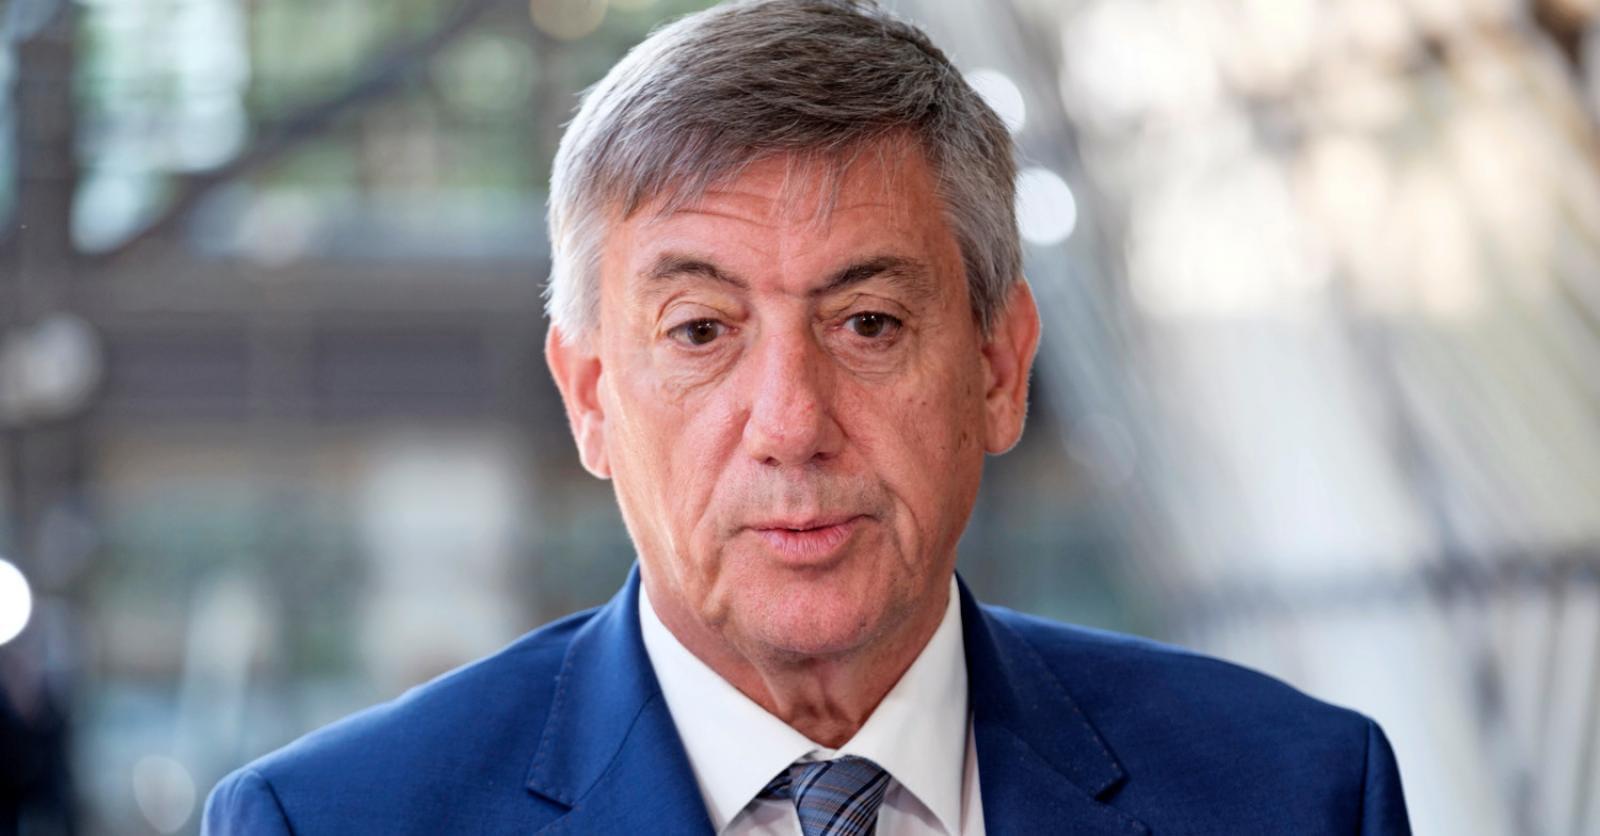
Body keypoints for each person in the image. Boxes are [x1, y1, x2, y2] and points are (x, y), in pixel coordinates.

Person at [203, 1, 1411, 833]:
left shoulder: (1293, 792)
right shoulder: (333, 819)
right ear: (591, 398)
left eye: (867, 322)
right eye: (699, 331)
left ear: (999, 366)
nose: (790, 422)